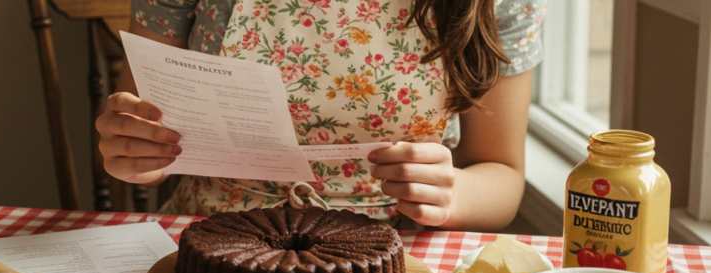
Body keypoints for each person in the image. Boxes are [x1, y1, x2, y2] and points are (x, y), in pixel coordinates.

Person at [96, 0, 546, 230]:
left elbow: (503, 174)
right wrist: (134, 151)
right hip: (210, 237)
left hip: (403, 254)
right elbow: (143, 124)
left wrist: (456, 194)